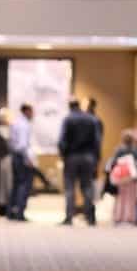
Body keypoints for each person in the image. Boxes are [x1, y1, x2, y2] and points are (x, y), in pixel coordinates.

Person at [58, 97, 101, 226]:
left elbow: (62, 139)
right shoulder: (91, 119)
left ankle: (69, 217)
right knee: (87, 187)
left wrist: (63, 155)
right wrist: (96, 158)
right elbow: (97, 141)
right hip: (88, 157)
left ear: (70, 106)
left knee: (70, 187)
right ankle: (90, 217)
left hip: (72, 156)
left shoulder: (68, 119)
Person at [106, 129, 137, 225]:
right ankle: (130, 218)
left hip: (121, 177)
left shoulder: (119, 149)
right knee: (131, 199)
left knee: (120, 198)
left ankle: (118, 217)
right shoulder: (136, 150)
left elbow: (114, 162)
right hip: (132, 177)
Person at [7, 103, 35, 221]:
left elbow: (11, 142)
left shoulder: (15, 122)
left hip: (15, 156)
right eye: (32, 111)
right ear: (26, 111)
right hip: (22, 157)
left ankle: (11, 212)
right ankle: (20, 213)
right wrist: (28, 159)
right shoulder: (24, 125)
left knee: (16, 184)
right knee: (24, 185)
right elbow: (23, 145)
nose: (33, 114)